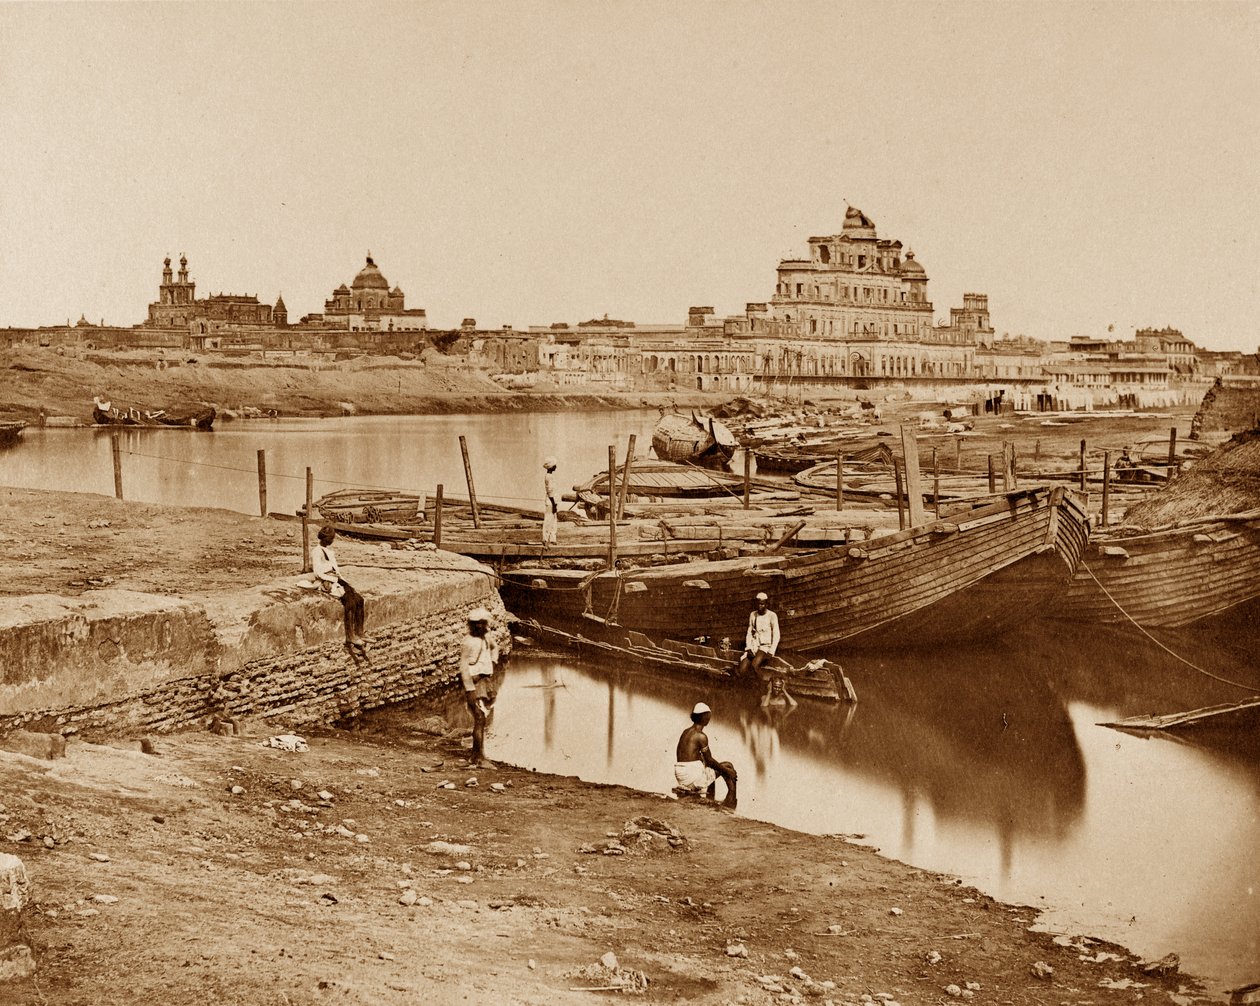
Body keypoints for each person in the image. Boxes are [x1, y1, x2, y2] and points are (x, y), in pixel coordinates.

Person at [311, 524, 367, 657]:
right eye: (331, 538)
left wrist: (343, 580)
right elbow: (317, 571)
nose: (332, 540)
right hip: (327, 580)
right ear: (325, 538)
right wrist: (328, 580)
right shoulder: (317, 551)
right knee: (349, 603)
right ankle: (350, 636)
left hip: (336, 579)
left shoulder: (330, 552)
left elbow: (336, 570)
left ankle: (360, 632)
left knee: (359, 599)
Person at [674, 702, 737, 808]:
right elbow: (710, 760)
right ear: (704, 717)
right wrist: (729, 772)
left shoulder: (686, 731)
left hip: (681, 774)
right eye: (708, 716)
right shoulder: (701, 736)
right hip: (691, 778)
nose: (709, 718)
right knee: (728, 766)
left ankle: (711, 799)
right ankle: (732, 800)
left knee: (711, 770)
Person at [459, 607, 500, 766]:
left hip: (486, 682)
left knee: (481, 719)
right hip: (474, 683)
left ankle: (477, 755)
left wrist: (493, 662)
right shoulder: (468, 642)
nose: (480, 627)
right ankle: (478, 756)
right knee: (479, 718)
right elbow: (463, 667)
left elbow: (495, 647)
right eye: (476, 624)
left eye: (482, 624)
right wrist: (469, 689)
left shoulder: (486, 638)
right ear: (471, 625)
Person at [739, 592, 780, 677]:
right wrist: (748, 647)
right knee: (742, 669)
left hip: (765, 647)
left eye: (762, 604)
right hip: (754, 645)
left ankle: (762, 685)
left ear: (766, 604)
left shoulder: (772, 615)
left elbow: (776, 634)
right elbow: (749, 632)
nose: (760, 606)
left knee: (754, 665)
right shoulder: (753, 615)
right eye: (758, 604)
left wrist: (771, 651)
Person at [542, 457, 559, 546]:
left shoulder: (549, 476)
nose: (556, 466)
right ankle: (545, 538)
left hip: (552, 500)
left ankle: (552, 538)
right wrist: (553, 504)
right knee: (549, 519)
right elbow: (550, 491)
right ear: (551, 466)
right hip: (550, 501)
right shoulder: (549, 477)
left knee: (553, 519)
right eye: (554, 465)